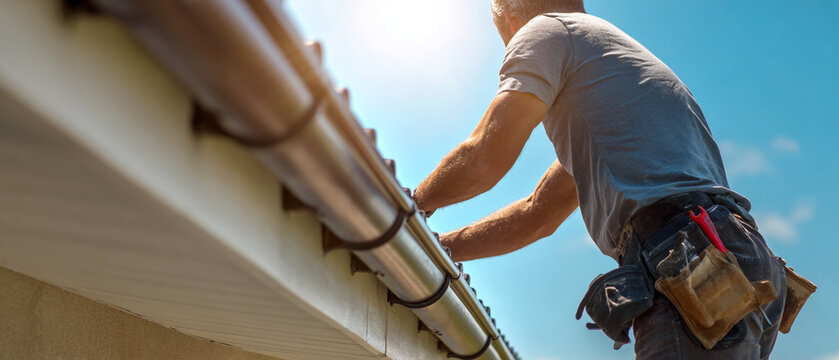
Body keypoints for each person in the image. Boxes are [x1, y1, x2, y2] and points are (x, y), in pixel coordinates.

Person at [412, 0, 787, 359]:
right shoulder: (610, 77)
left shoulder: (543, 31)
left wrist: (410, 210)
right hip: (736, 257)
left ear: (511, 19)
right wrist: (439, 247)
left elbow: (484, 157)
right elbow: (538, 213)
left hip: (691, 259)